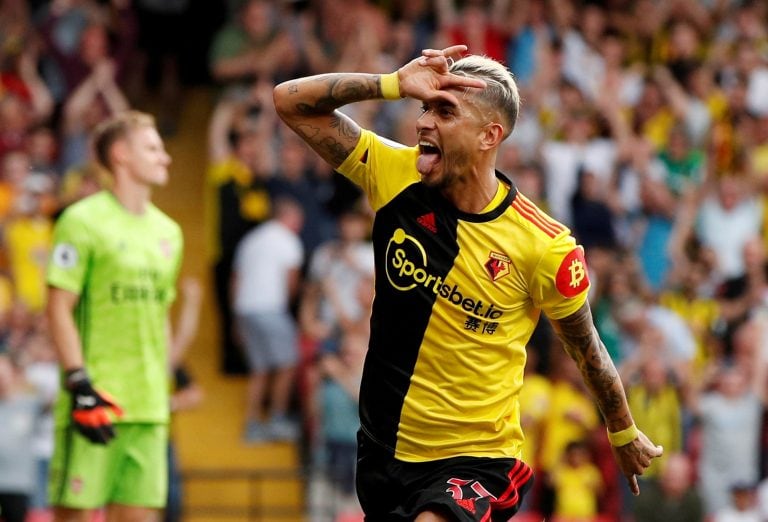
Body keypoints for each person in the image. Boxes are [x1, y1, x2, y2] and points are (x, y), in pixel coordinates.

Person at [274, 44, 663, 520]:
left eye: (444, 111)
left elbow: (587, 349)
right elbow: (290, 102)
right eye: (424, 107)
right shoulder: (395, 176)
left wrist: (622, 432)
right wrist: (391, 83)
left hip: (475, 460)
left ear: (488, 135)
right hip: (383, 449)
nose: (422, 122)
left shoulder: (543, 245)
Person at [45, 110, 183, 522]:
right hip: (97, 401)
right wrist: (79, 383)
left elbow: (160, 315)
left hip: (150, 408)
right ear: (121, 154)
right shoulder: (81, 220)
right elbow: (57, 307)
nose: (166, 158)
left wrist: (168, 380)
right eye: (153, 148)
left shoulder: (169, 233)